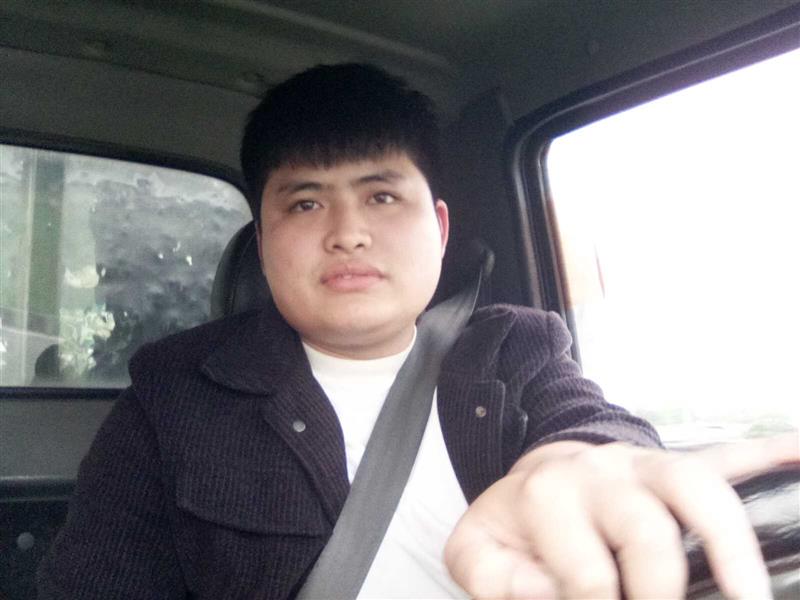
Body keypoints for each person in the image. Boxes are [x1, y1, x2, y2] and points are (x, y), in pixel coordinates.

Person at [38, 63, 797, 599]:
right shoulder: (172, 393)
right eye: (305, 203)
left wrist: (581, 460)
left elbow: (582, 422)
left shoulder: (515, 346)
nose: (348, 232)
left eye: (381, 197)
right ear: (262, 241)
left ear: (439, 228)